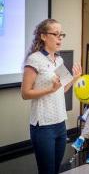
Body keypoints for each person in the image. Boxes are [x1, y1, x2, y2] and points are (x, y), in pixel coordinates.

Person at [21, 19, 82, 174]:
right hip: (43, 126)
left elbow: (62, 89)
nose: (60, 38)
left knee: (56, 169)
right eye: (55, 34)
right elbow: (25, 93)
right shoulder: (34, 59)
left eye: (61, 34)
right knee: (47, 171)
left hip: (60, 123)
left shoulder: (59, 59)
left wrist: (74, 79)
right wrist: (50, 89)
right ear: (43, 36)